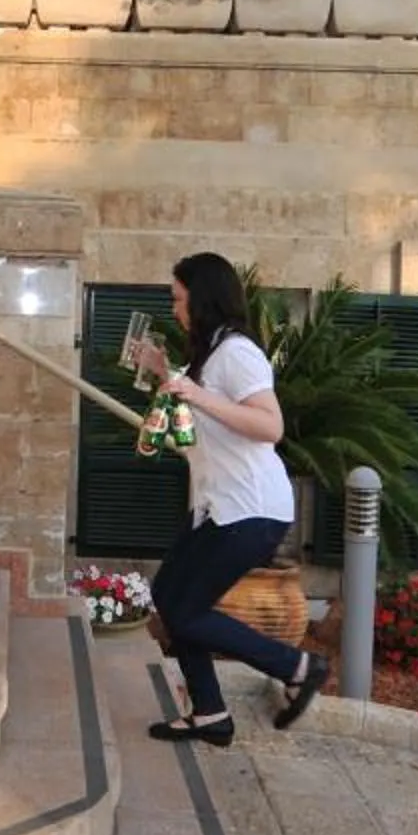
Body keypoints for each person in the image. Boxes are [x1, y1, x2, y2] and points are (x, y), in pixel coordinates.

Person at [142, 252, 327, 746]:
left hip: (249, 509)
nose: (175, 309)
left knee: (187, 609)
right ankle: (210, 714)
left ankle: (297, 666)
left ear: (202, 299)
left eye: (179, 299)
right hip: (217, 505)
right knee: (169, 597)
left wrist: (195, 395)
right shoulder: (209, 355)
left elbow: (270, 426)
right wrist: (166, 378)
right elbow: (202, 429)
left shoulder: (238, 352)